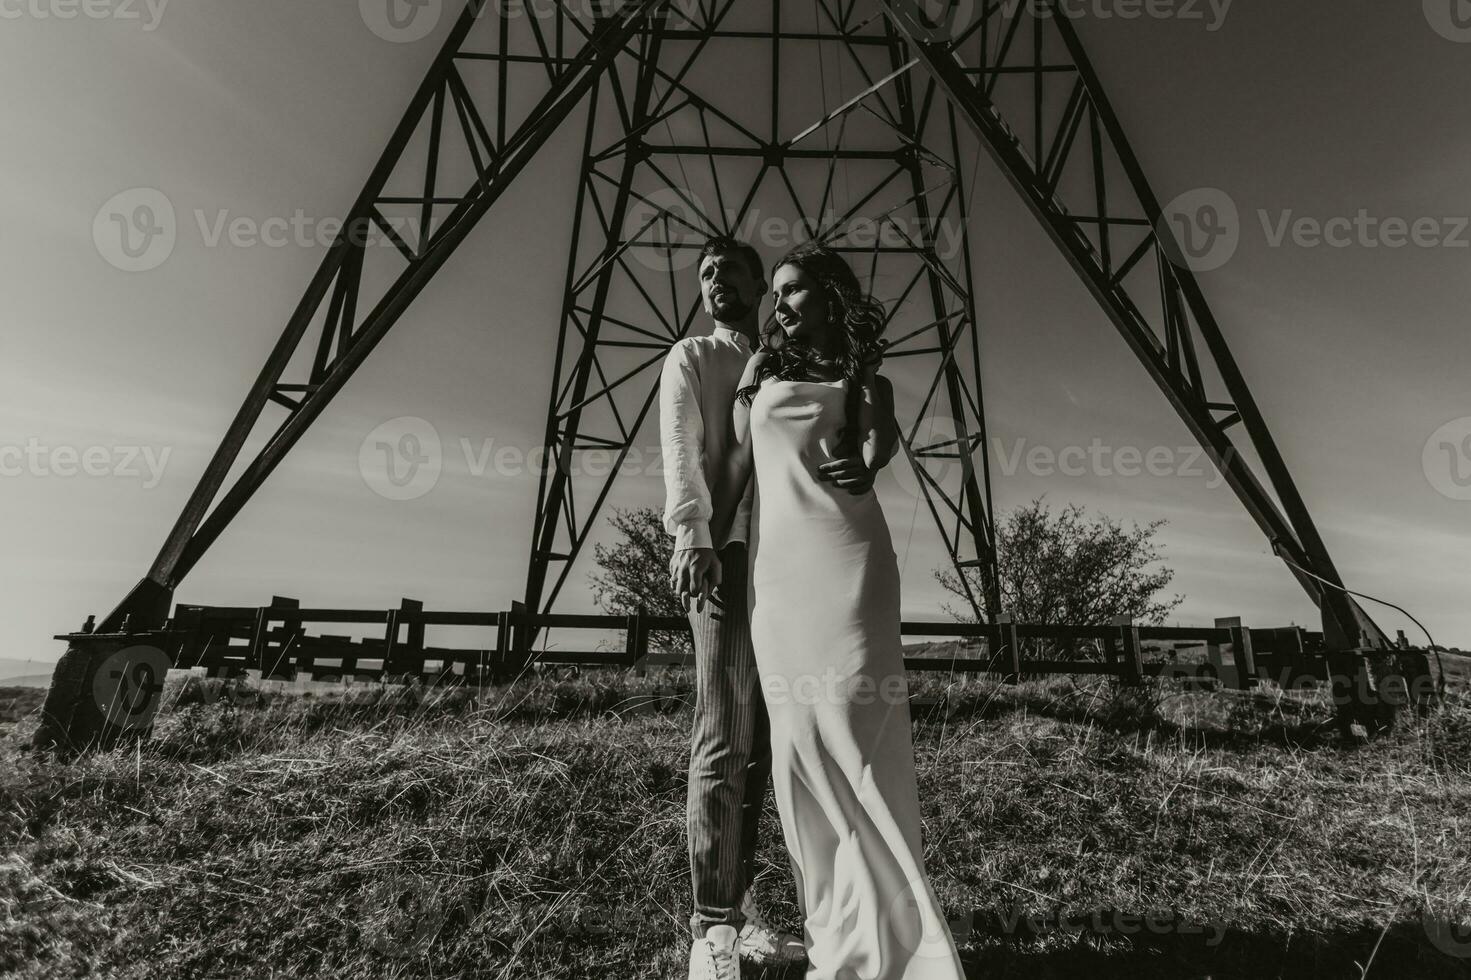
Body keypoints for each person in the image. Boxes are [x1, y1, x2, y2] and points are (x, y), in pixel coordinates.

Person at [706, 243, 967, 979]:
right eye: (778, 293)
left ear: (829, 299)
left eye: (793, 292)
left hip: (847, 562)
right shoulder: (762, 371)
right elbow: (736, 448)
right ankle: (836, 932)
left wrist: (873, 453)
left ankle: (902, 945)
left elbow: (880, 444)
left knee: (854, 732)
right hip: (776, 578)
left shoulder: (863, 378)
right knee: (795, 747)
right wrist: (746, 384)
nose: (780, 305)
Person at [660, 236, 889, 980]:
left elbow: (860, 423)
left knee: (773, 742)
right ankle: (712, 935)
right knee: (725, 734)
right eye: (703, 273)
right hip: (725, 557)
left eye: (729, 269)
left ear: (760, 283)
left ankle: (746, 913)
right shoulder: (696, 357)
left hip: (791, 573)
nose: (713, 281)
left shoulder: (794, 359)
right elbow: (683, 452)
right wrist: (690, 537)